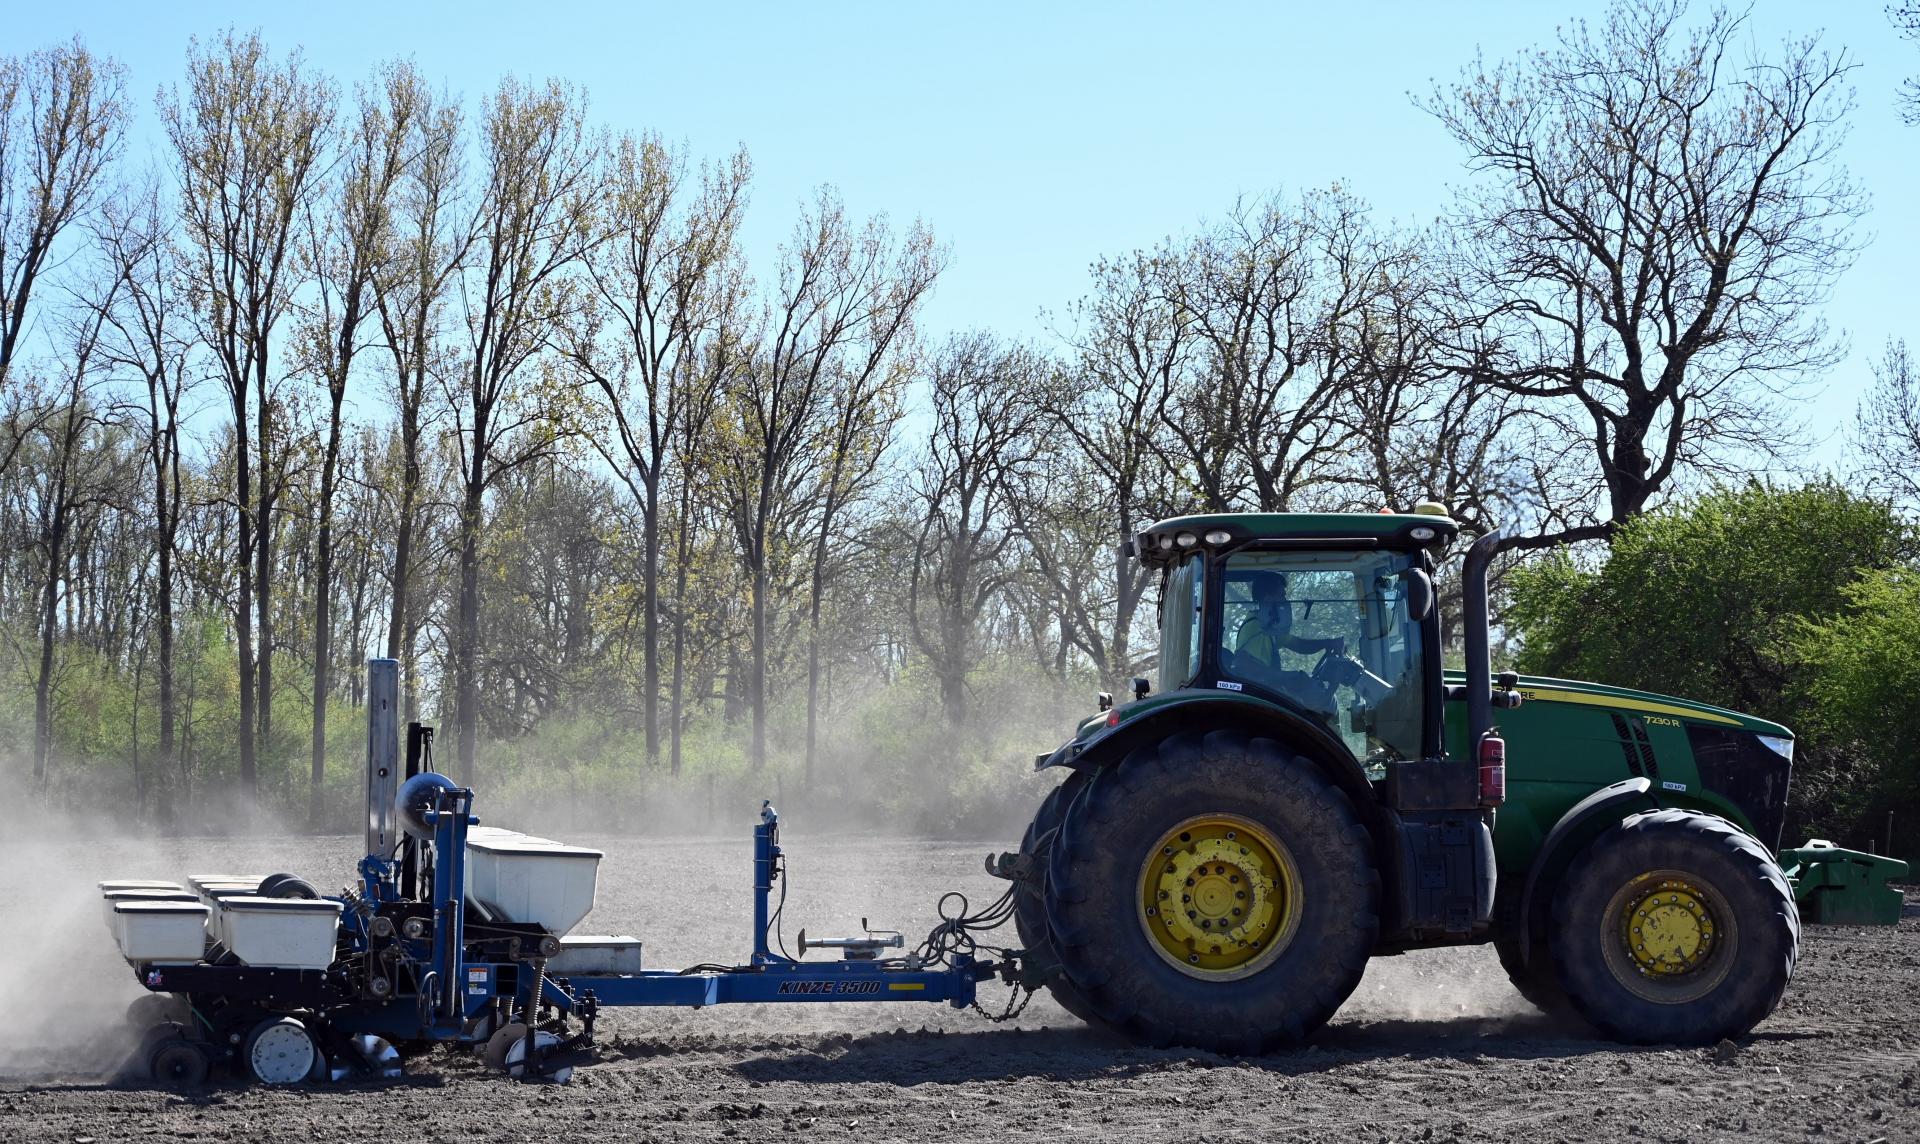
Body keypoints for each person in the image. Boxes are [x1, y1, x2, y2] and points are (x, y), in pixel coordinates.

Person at [1230, 571, 1346, 713]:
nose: (1286, 602)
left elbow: (1298, 645)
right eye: (1282, 596)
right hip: (1260, 704)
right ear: (1268, 600)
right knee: (1320, 703)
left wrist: (1327, 643)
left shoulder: (1268, 626)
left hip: (1266, 698)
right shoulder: (1256, 628)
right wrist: (1291, 678)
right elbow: (1246, 667)